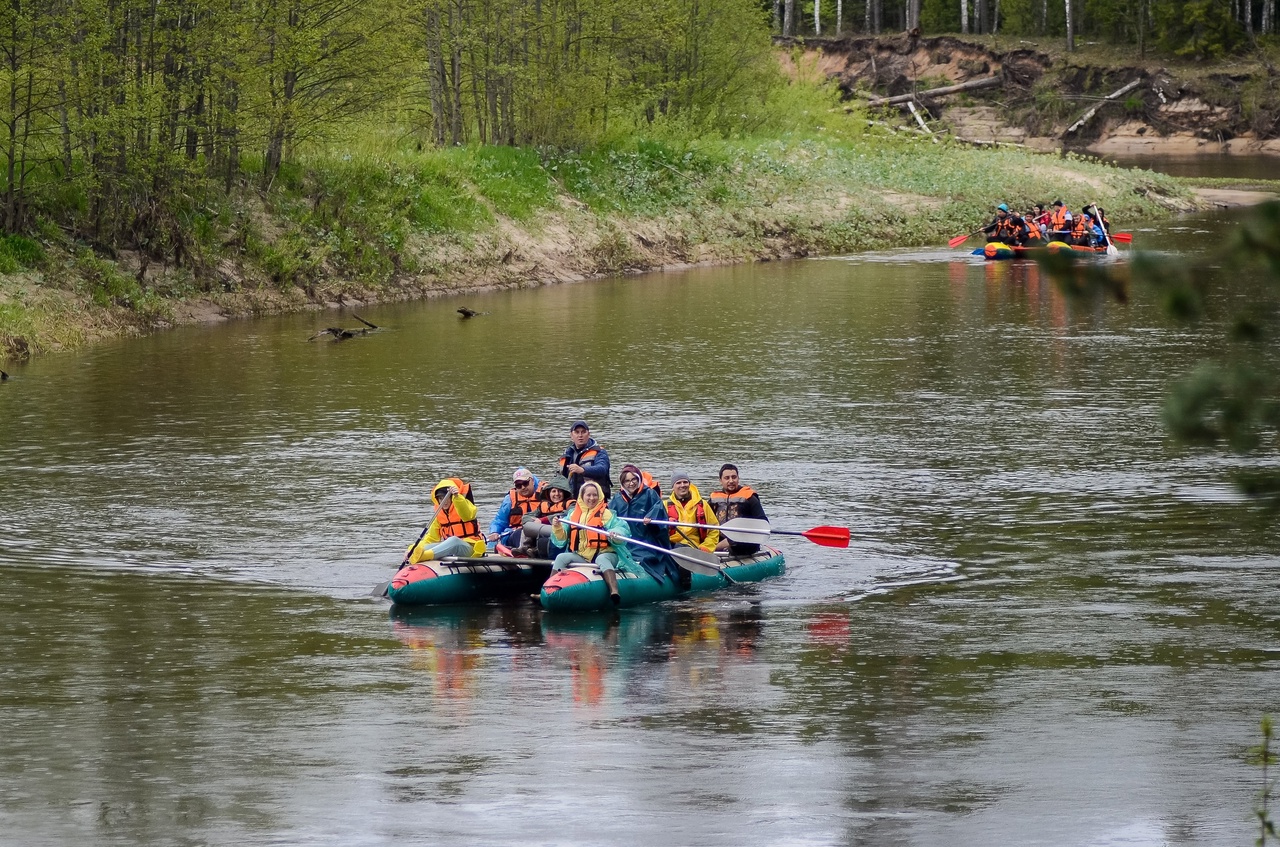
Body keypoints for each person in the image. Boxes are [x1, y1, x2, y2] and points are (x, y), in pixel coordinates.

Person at [549, 480, 637, 604]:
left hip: (606, 554)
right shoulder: (573, 515)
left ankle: (614, 591)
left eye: (595, 495)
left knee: (602, 559)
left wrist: (615, 533)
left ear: (599, 495)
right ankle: (549, 590)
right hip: (583, 556)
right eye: (588, 495)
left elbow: (621, 528)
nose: (592, 498)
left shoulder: (606, 514)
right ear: (582, 496)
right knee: (561, 557)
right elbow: (561, 538)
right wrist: (557, 526)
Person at [608, 463, 680, 585]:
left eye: (634, 479)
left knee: (645, 557)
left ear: (639, 479)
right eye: (627, 481)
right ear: (622, 483)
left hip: (647, 541)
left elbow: (659, 510)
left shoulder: (650, 494)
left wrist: (652, 517)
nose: (631, 483)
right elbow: (609, 517)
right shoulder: (617, 499)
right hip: (625, 542)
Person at [403, 477, 486, 564]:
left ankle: (424, 556)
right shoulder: (439, 515)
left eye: (446, 498)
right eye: (441, 498)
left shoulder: (465, 505)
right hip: (451, 549)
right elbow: (431, 539)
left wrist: (457, 496)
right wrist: (412, 549)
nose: (444, 501)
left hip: (472, 549)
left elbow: (467, 515)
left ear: (451, 498)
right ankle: (414, 555)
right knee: (422, 547)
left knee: (454, 541)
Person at [709, 463, 768, 557]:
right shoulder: (714, 499)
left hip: (744, 541)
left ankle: (719, 547)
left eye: (734, 477)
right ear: (720, 481)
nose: (731, 481)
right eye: (727, 478)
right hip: (719, 538)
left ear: (738, 479)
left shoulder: (750, 498)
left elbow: (763, 523)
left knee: (738, 540)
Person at [664, 471, 720, 553]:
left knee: (678, 547)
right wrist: (666, 524)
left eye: (685, 482)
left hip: (693, 546)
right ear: (673, 487)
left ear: (689, 484)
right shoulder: (664, 505)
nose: (682, 485)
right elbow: (657, 529)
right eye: (678, 483)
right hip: (669, 544)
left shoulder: (702, 504)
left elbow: (714, 530)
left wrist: (706, 547)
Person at [486, 467, 541, 549]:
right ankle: (522, 550)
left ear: (532, 481)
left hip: (539, 532)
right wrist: (494, 532)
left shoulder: (546, 494)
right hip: (515, 534)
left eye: (525, 483)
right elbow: (499, 521)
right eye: (518, 485)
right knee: (519, 533)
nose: (523, 487)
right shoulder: (509, 500)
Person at [520, 476, 572, 558]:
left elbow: (567, 514)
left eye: (560, 491)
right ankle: (524, 548)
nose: (556, 494)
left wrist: (543, 520)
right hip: (542, 529)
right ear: (549, 493)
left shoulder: (571, 504)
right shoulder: (543, 505)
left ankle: (536, 551)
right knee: (528, 525)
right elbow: (528, 515)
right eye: (553, 491)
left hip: (558, 530)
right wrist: (532, 521)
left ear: (565, 493)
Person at [558, 420, 611, 500]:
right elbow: (560, 476)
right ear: (571, 435)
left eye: (583, 432)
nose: (580, 435)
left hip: (594, 499)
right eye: (577, 432)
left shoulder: (600, 452)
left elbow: (602, 469)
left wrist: (582, 470)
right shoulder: (568, 453)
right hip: (572, 500)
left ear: (588, 434)